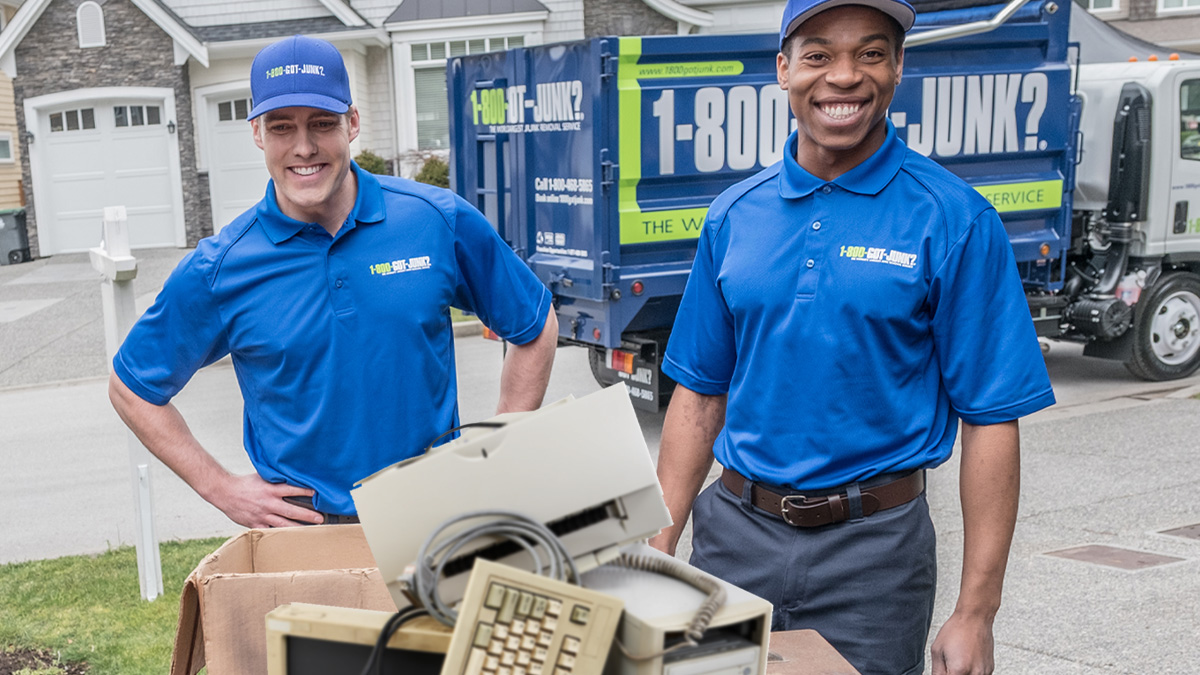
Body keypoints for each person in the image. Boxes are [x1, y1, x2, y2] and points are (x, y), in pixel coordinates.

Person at [648, 0, 1055, 673]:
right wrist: (657, 550)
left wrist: (976, 612)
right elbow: (698, 395)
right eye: (818, 55)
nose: (844, 76)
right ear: (783, 69)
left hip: (875, 557)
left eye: (870, 53)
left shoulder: (953, 219)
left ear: (897, 69)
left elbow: (991, 418)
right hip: (733, 541)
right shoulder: (733, 217)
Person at [109, 35, 557, 529]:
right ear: (257, 133)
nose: (304, 147)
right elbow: (132, 388)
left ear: (353, 123)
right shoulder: (221, 268)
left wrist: (500, 446)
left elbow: (533, 324)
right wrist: (221, 488)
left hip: (434, 517)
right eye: (282, 128)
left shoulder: (435, 220)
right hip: (303, 531)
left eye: (322, 123)